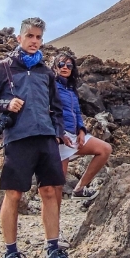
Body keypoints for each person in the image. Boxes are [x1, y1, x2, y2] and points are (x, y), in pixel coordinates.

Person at [0, 18, 76, 258]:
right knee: (13, 194)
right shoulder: (3, 68)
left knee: (50, 192)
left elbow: (55, 107)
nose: (34, 41)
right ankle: (11, 255)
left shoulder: (45, 72)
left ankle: (53, 250)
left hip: (45, 139)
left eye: (38, 37)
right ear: (19, 38)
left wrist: (56, 131)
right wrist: (4, 105)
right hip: (18, 138)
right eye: (30, 36)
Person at [52, 53, 111, 211]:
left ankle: (79, 189)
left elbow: (77, 113)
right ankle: (54, 229)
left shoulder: (71, 89)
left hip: (74, 135)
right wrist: (59, 134)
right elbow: (48, 111)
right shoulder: (51, 87)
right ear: (54, 67)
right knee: (58, 185)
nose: (65, 68)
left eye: (69, 65)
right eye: (61, 64)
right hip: (59, 137)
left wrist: (82, 131)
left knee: (104, 149)